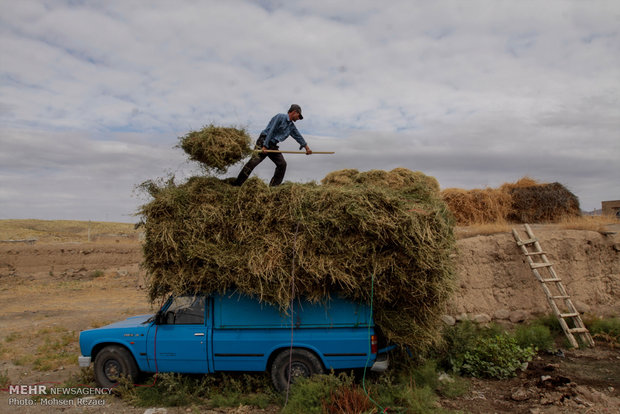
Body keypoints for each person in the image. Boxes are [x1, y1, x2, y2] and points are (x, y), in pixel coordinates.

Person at [234, 104, 312, 187]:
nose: (299, 118)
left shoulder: (291, 127)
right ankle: (237, 184)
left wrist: (307, 148)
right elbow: (271, 130)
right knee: (253, 162)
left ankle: (273, 187)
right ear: (294, 112)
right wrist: (265, 145)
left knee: (282, 164)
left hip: (273, 145)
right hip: (264, 141)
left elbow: (298, 136)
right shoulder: (280, 117)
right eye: (299, 116)